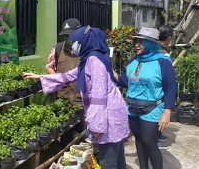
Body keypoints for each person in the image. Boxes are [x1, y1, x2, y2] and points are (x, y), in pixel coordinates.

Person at [25, 26, 130, 169]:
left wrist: (97, 126)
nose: (72, 45)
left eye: (75, 41)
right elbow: (68, 76)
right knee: (116, 157)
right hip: (111, 113)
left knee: (108, 161)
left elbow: (99, 96)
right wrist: (40, 77)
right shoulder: (89, 58)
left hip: (107, 117)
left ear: (85, 41)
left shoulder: (94, 61)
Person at [114, 27, 177, 169]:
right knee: (139, 141)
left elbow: (171, 87)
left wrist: (167, 112)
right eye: (136, 41)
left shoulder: (162, 62)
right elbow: (126, 82)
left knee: (149, 142)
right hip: (133, 109)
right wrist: (111, 73)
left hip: (153, 109)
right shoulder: (132, 62)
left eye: (141, 42)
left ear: (151, 44)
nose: (136, 45)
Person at [46, 18, 81, 105]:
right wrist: (57, 78)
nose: (67, 38)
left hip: (81, 100)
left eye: (70, 35)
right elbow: (49, 66)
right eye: (65, 36)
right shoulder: (58, 48)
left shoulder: (87, 49)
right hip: (62, 99)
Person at [157, 25, 174, 150]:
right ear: (168, 38)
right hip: (159, 87)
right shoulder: (163, 54)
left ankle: (157, 135)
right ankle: (155, 138)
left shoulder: (156, 48)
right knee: (158, 112)